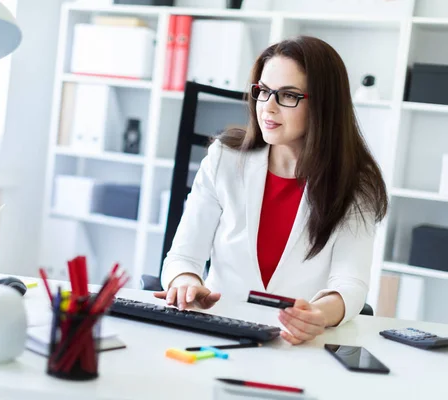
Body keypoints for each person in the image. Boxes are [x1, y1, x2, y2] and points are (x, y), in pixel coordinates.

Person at [154, 36, 388, 345]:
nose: (268, 107)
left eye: (288, 95)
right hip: (218, 330)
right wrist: (186, 283)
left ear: (324, 104)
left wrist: (319, 315)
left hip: (296, 342)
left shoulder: (355, 183)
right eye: (263, 91)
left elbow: (350, 283)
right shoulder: (225, 158)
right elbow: (183, 257)